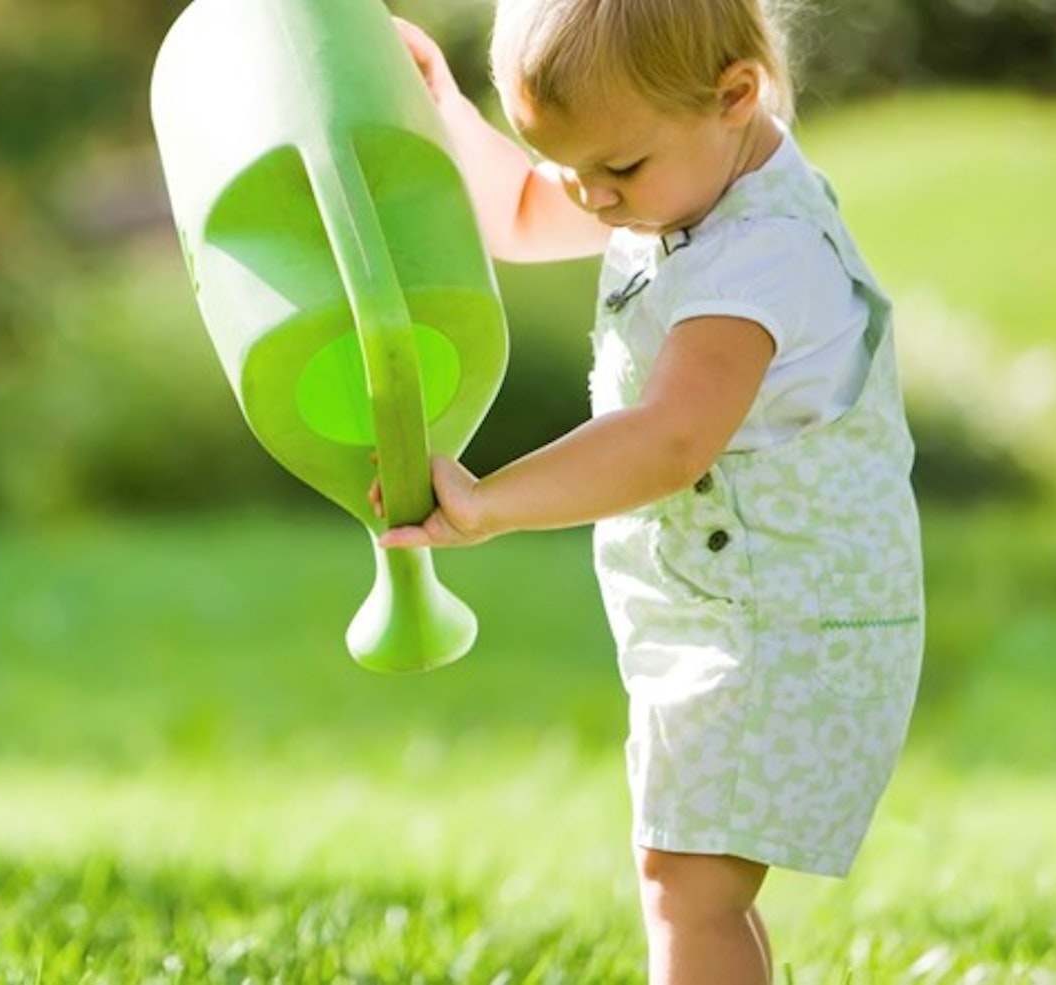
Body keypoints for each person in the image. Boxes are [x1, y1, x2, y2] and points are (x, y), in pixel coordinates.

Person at [375, 2, 925, 982]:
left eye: (616, 171)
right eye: (574, 169)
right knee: (694, 880)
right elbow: (516, 212)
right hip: (730, 612)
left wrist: (491, 500)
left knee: (687, 879)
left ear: (735, 95)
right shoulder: (682, 178)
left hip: (786, 629)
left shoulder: (762, 256)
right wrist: (443, 103)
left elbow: (671, 439)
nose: (592, 200)